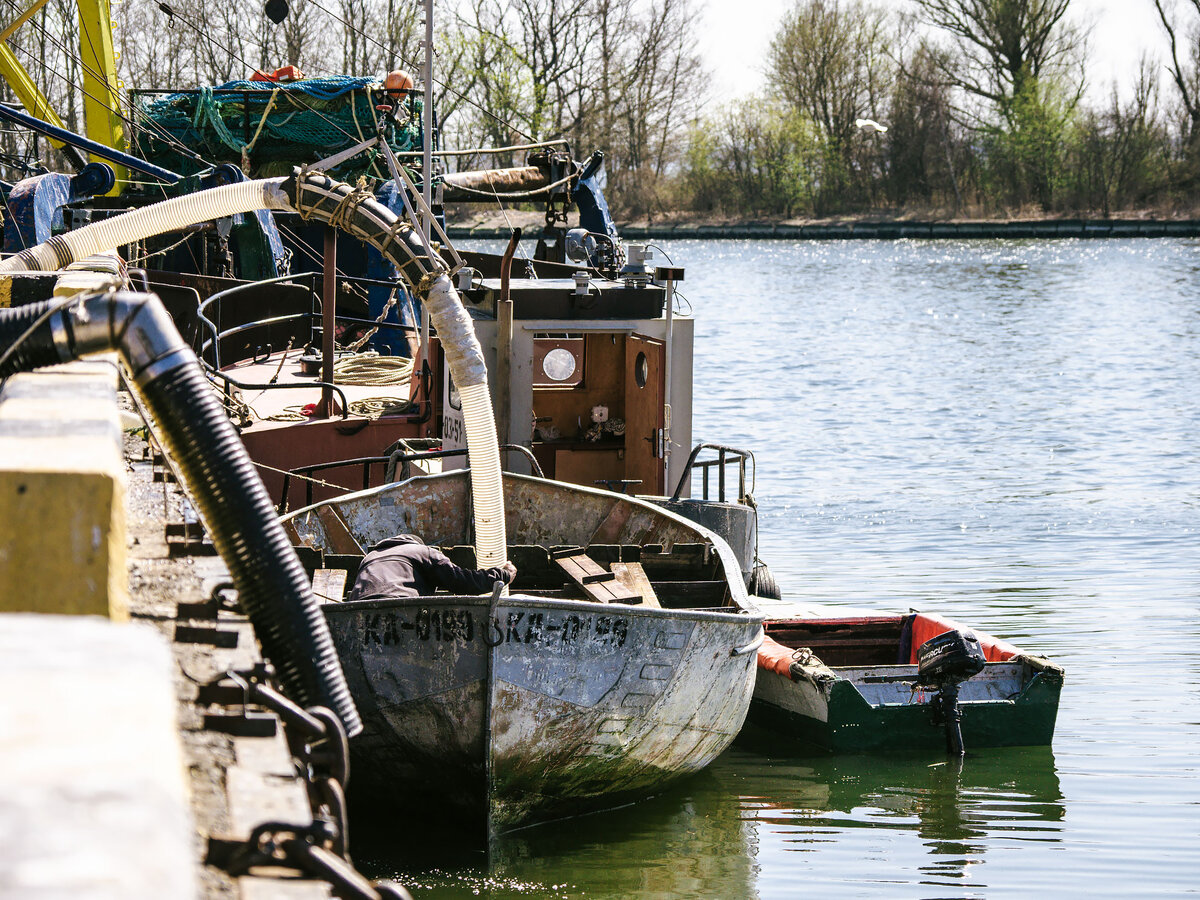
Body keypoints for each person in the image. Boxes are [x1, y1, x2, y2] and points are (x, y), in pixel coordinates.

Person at [347, 534, 517, 602]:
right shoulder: (422, 551)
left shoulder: (370, 557)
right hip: (400, 609)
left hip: (359, 613)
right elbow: (461, 580)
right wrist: (503, 574)